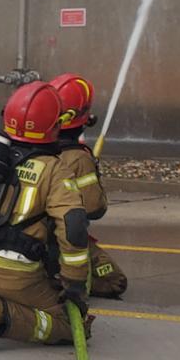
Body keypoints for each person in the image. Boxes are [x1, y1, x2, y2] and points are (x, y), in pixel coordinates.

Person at [0, 81, 105, 350]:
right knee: (72, 325)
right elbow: (73, 225)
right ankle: (0, 314)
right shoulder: (54, 168)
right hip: (13, 275)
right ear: (55, 126)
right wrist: (74, 282)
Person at [47, 73, 127, 299]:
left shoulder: (33, 148)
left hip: (25, 237)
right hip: (58, 239)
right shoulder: (78, 159)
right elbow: (94, 209)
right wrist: (93, 175)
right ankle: (53, 280)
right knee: (115, 282)